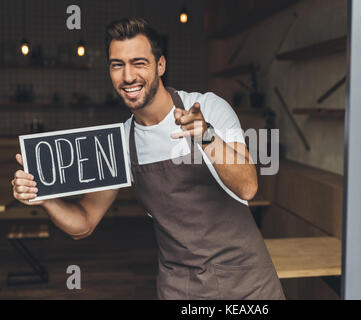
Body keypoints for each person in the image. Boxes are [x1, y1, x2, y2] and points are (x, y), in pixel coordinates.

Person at [11, 17, 285, 300]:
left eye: (139, 62)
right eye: (118, 65)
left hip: (249, 284)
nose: (128, 76)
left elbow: (248, 186)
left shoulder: (209, 107)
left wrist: (206, 136)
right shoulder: (117, 143)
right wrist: (44, 198)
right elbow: (84, 223)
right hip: (182, 287)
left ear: (161, 65)